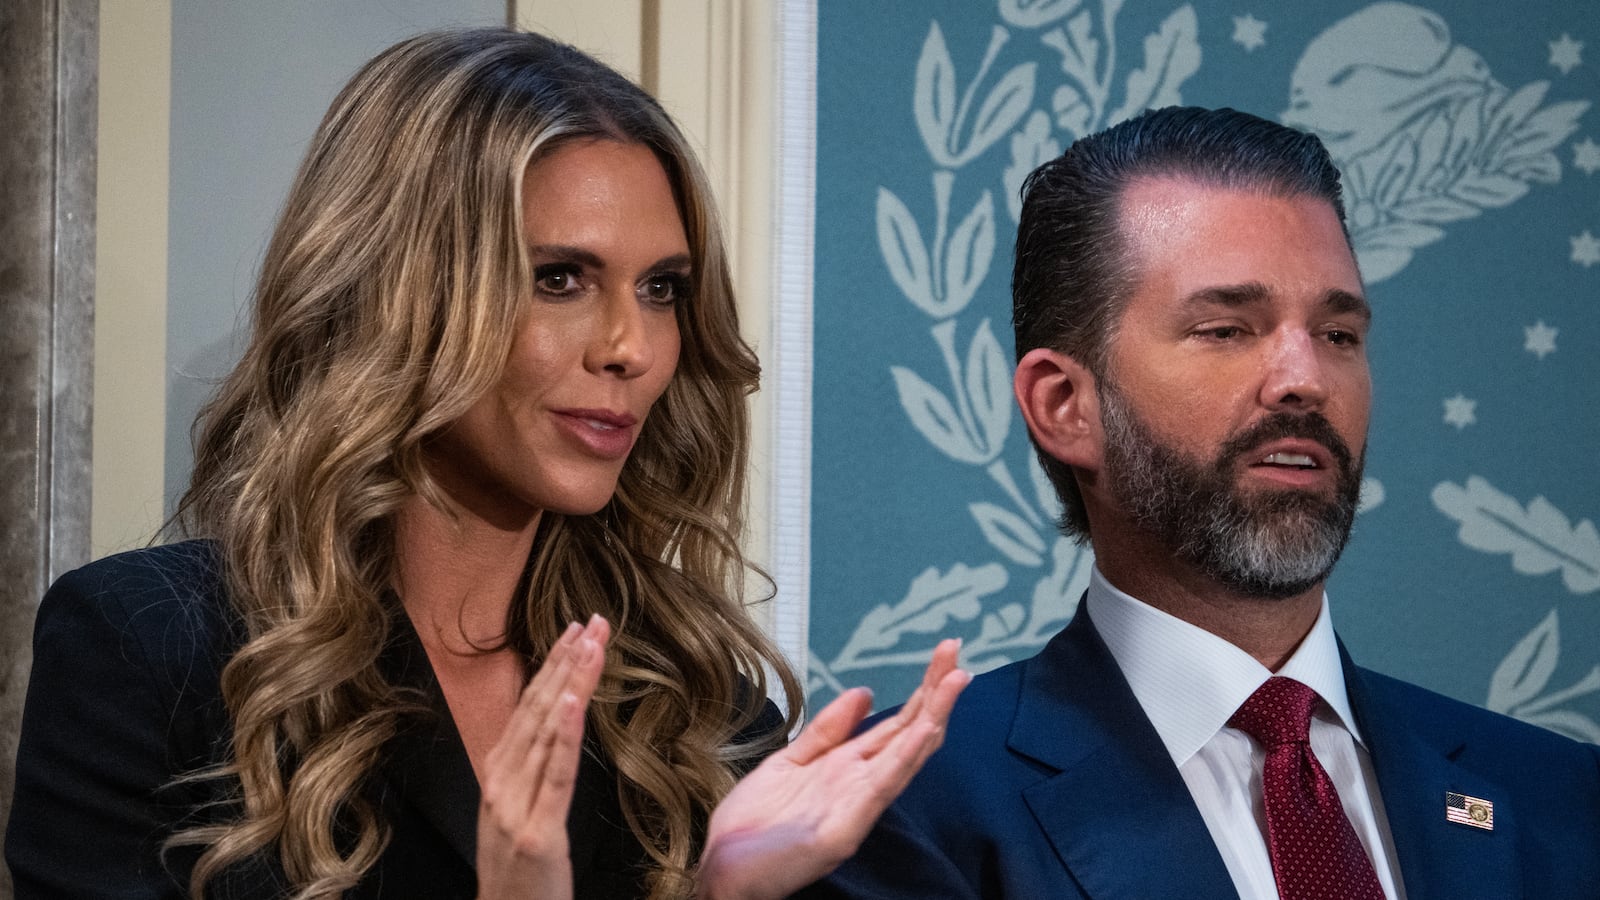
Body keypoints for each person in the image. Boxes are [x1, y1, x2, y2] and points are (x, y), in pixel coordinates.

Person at [5, 28, 969, 900]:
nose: (632, 346)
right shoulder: (146, 653)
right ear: (402, 291)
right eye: (560, 279)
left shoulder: (695, 712)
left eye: (664, 289)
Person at [800, 106, 1600, 899]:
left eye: (1338, 335)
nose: (1305, 378)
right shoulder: (898, 808)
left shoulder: (1560, 798)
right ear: (1064, 405)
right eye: (1225, 329)